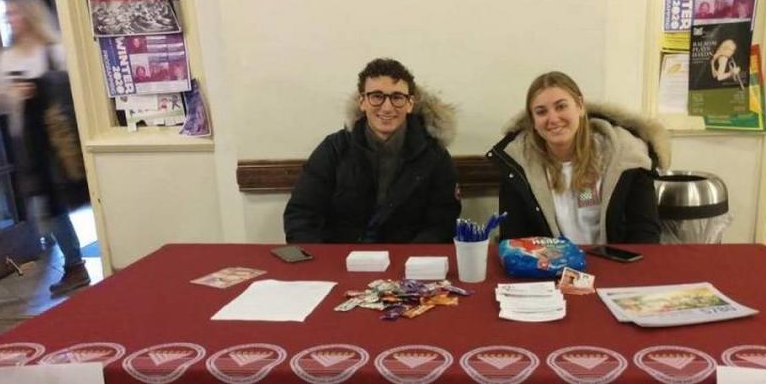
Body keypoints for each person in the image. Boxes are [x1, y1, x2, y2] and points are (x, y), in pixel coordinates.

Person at [284, 58, 460, 243]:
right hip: (341, 262)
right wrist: (323, 263)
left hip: (408, 264)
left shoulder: (434, 155)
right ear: (362, 101)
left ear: (410, 104)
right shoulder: (334, 149)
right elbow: (301, 215)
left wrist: (410, 261)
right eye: (377, 96)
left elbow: (442, 224)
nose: (387, 107)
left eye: (397, 97)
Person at [489, 71, 667, 245]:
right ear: (533, 121)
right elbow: (515, 239)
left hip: (616, 267)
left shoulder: (626, 154)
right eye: (541, 112)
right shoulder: (518, 163)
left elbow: (645, 233)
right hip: (549, 268)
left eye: (561, 106)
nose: (553, 118)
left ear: (580, 106)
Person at [0, 0, 90, 296]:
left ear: (30, 15)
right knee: (42, 204)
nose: (9, 19)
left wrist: (44, 87)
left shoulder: (54, 50)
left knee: (55, 201)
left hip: (56, 139)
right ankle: (74, 263)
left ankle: (75, 264)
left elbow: (76, 89)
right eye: (6, 13)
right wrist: (13, 95)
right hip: (26, 141)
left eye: (14, 12)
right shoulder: (5, 58)